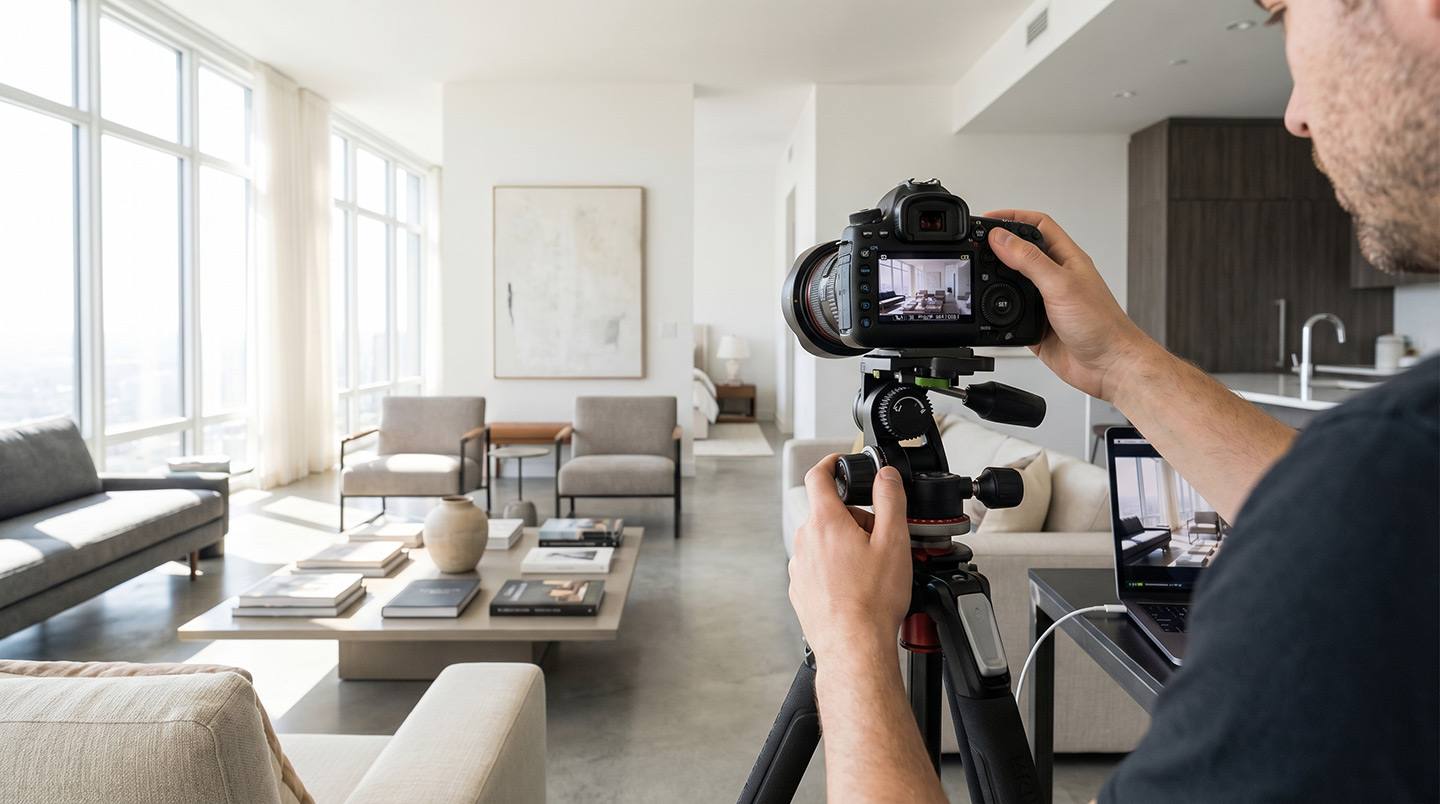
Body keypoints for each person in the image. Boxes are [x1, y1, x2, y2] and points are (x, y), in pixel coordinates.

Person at [786, 0, 1440, 801]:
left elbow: (1358, 514)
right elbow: (1343, 512)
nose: (1296, 116)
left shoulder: (1394, 472)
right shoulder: (1394, 485)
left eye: (1282, 13)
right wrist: (1119, 362)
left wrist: (851, 638)